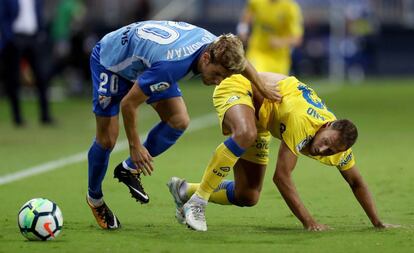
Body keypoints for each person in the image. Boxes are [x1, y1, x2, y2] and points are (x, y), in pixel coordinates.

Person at [86, 20, 281, 230]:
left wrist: (262, 87)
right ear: (206, 58)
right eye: (217, 74)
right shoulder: (172, 66)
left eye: (224, 77)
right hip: (112, 62)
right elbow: (129, 104)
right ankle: (95, 199)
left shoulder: (216, 46)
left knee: (178, 120)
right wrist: (135, 146)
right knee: (107, 140)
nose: (219, 81)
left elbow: (244, 65)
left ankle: (128, 170)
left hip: (146, 63)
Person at [167, 72, 396, 231]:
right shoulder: (302, 121)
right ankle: (198, 202)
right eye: (325, 142)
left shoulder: (338, 146)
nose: (321, 150)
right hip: (242, 86)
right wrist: (309, 222)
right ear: (325, 126)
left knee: (248, 195)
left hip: (264, 118)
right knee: (244, 134)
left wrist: (377, 222)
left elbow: (357, 182)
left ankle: (184, 190)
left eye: (330, 151)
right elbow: (282, 177)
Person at [0, 0, 53, 126]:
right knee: (14, 79)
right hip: (15, 38)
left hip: (33, 38)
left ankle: (45, 116)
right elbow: (3, 17)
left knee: (41, 76)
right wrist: (9, 37)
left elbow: (39, 15)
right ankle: (17, 117)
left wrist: (41, 34)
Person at [237, 0, 304, 74]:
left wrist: (280, 41)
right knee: (255, 77)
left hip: (279, 58)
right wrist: (242, 30)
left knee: (275, 84)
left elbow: (297, 39)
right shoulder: (256, 2)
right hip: (257, 51)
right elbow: (246, 16)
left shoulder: (290, 7)